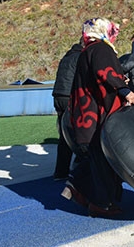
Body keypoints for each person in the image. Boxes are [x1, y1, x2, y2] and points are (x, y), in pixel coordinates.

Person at [62, 18, 134, 217]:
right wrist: (124, 90)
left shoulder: (87, 50)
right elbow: (104, 72)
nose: (114, 35)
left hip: (85, 115)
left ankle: (77, 186)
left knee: (95, 157)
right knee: (103, 161)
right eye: (112, 31)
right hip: (96, 117)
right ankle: (101, 203)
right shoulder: (101, 49)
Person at [51, 38, 83, 181]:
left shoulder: (67, 56)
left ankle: (60, 172)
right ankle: (80, 167)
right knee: (79, 132)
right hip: (69, 96)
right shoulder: (80, 57)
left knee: (64, 136)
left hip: (58, 95)